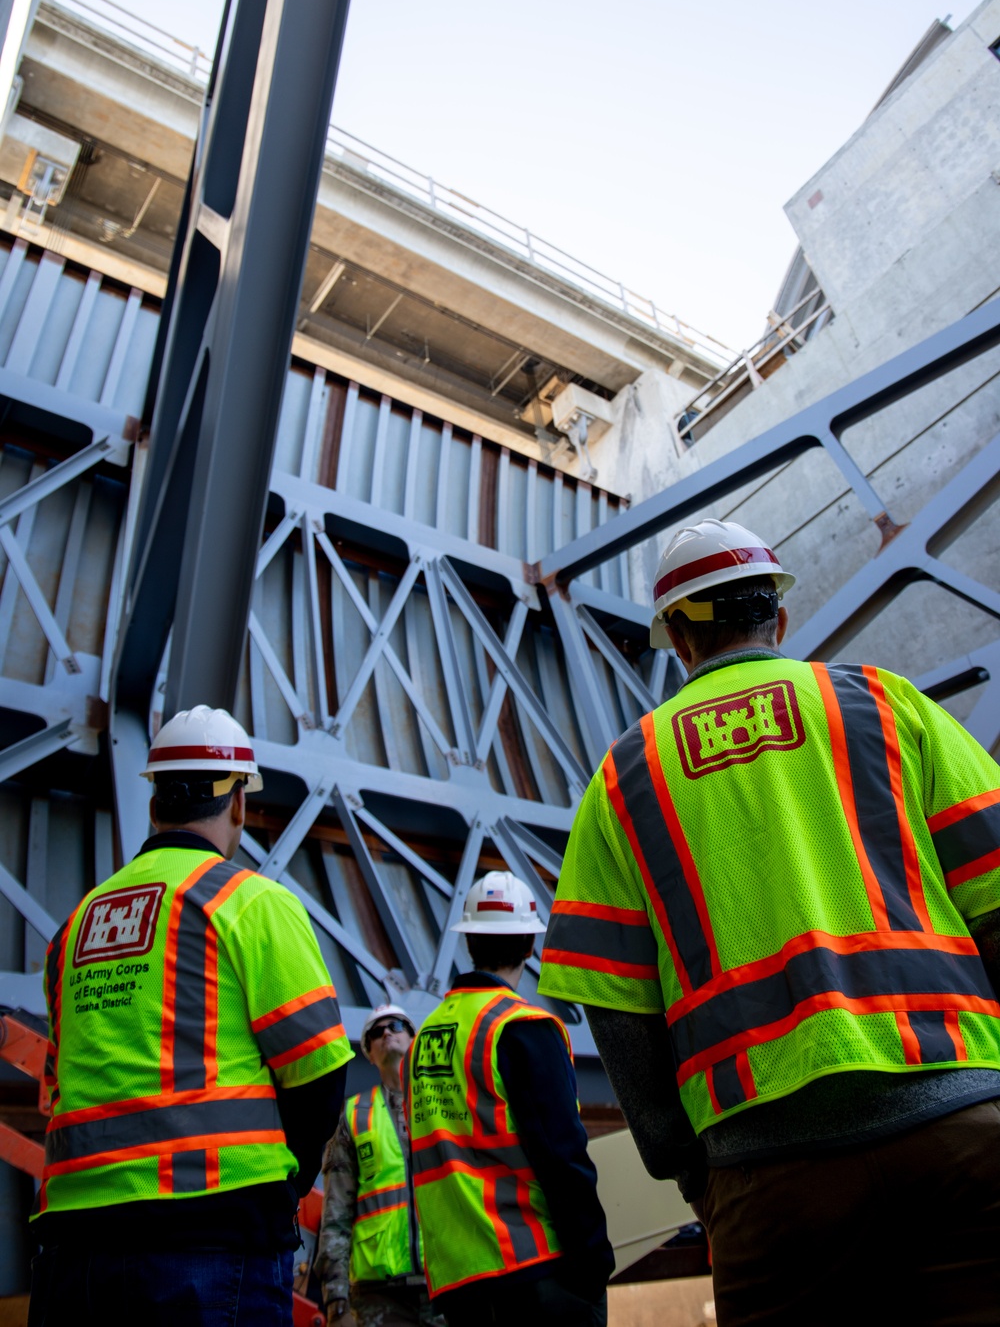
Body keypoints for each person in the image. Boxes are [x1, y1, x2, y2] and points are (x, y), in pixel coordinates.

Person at [537, 517, 1000, 1326]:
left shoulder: (623, 777)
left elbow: (618, 1009)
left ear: (677, 639)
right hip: (960, 1129)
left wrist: (693, 1173)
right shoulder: (887, 705)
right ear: (778, 619)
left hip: (772, 1178)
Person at [29, 705, 353, 1327]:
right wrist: (285, 1189)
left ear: (155, 801)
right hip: (210, 1242)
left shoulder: (74, 928)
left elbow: (58, 1087)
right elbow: (318, 1080)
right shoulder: (251, 903)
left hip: (72, 1250)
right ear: (237, 803)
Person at [403, 870, 614, 1327]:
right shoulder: (522, 1028)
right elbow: (562, 1156)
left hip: (460, 1282)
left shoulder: (424, 1040)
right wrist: (595, 1258)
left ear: (469, 943)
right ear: (529, 946)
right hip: (533, 1268)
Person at [314, 1002, 444, 1327]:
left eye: (396, 1025)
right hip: (378, 1293)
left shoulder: (447, 1104)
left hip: (447, 1278)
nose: (386, 1033)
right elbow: (335, 1215)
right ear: (369, 1053)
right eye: (376, 1032)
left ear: (414, 1039)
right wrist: (336, 1302)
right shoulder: (352, 1116)